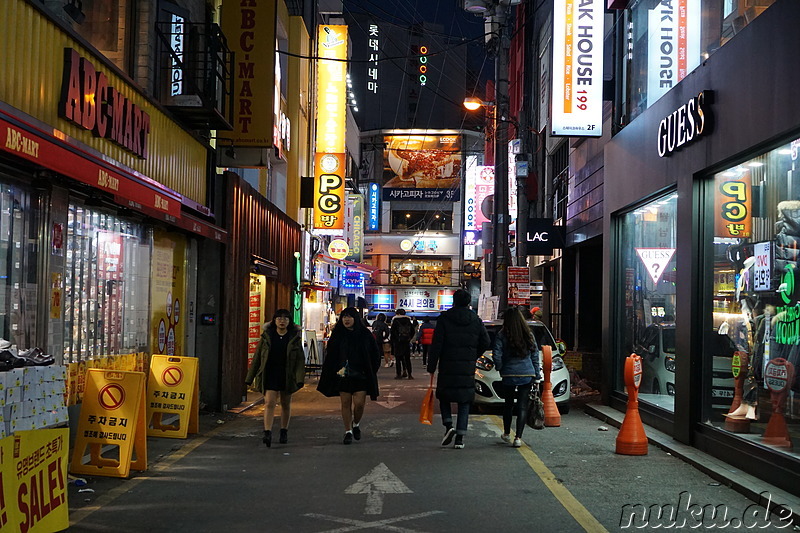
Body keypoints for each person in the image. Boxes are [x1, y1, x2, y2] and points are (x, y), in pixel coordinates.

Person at [426, 289, 490, 449]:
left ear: (453, 301)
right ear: (469, 302)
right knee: (464, 400)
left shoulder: (444, 319)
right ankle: (460, 438)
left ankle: (449, 426)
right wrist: (473, 355)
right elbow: (486, 341)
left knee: (445, 396)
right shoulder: (476, 320)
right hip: (467, 366)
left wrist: (432, 365)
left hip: (447, 364)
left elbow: (437, 344)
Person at [317, 307, 381, 444]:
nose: (346, 319)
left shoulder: (365, 334)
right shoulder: (338, 334)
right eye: (344, 317)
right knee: (345, 403)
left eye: (349, 316)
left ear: (355, 318)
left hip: (361, 375)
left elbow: (375, 353)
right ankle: (348, 431)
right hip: (343, 375)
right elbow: (331, 355)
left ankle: (356, 423)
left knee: (359, 404)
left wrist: (371, 370)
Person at [245, 309, 306, 447]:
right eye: (279, 318)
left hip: (287, 375)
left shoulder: (293, 338)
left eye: (285, 318)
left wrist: (299, 378)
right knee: (269, 403)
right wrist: (250, 378)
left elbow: (300, 361)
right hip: (270, 373)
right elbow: (257, 359)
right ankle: (267, 432)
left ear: (289, 321)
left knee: (285, 404)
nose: (282, 321)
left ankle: (284, 430)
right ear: (274, 321)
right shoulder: (267, 336)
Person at [492, 307, 541, 447]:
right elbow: (535, 355)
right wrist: (536, 374)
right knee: (522, 406)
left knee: (508, 405)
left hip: (509, 374)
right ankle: (518, 438)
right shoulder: (528, 334)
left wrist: (500, 367)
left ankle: (507, 433)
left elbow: (497, 353)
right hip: (527, 373)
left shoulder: (502, 334)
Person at [390, 309, 416, 379]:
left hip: (398, 343)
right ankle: (409, 374)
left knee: (398, 359)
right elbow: (413, 331)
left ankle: (399, 374)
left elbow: (392, 332)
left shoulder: (395, 321)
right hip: (406, 342)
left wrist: (393, 341)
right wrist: (409, 338)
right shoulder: (408, 321)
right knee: (407, 359)